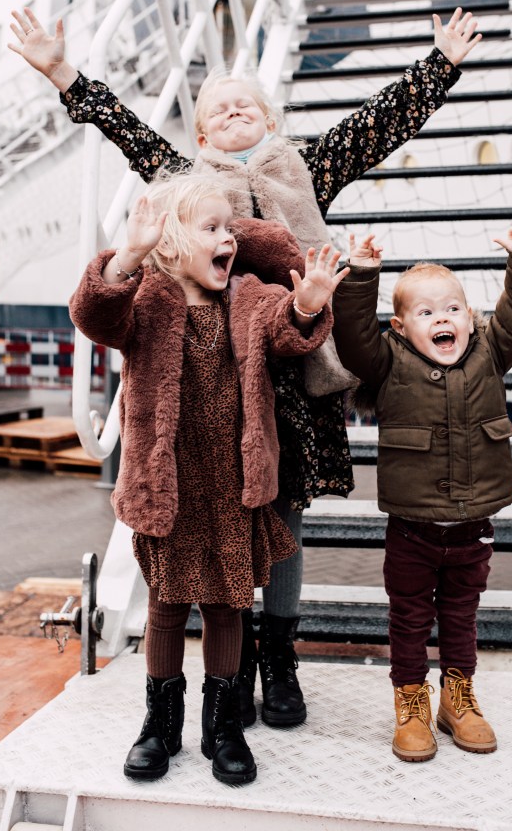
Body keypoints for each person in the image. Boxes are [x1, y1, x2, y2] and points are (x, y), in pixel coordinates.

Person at [9, 4, 481, 728]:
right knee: (218, 515)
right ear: (201, 137)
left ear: (269, 122)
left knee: (282, 517)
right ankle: (229, 668)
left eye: (246, 106)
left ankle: (279, 659)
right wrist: (61, 72)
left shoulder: (305, 167)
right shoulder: (187, 184)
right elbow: (125, 127)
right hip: (217, 374)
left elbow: (379, 124)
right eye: (218, 110)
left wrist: (440, 64)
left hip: (296, 370)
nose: (234, 112)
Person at [69, 171, 349, 783]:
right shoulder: (145, 299)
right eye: (212, 228)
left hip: (231, 488)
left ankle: (223, 727)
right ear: (171, 243)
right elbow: (94, 315)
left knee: (227, 610)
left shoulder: (249, 297)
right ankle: (159, 724)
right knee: (166, 608)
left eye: (230, 229)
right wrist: (129, 255)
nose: (229, 238)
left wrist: (307, 302)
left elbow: (287, 331)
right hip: (168, 488)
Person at [331, 225, 512, 762]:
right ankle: (411, 702)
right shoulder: (388, 361)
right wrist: (362, 274)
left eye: (452, 309)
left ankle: (458, 698)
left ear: (470, 318)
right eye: (426, 313)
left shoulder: (489, 351)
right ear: (401, 327)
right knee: (408, 618)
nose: (442, 319)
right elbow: (353, 339)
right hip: (412, 529)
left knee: (461, 614)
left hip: (473, 526)